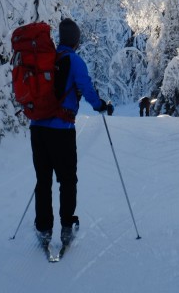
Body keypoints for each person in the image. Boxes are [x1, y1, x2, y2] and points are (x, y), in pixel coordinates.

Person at [30, 18, 113, 252]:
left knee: (43, 180)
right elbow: (86, 88)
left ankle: (44, 228)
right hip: (62, 131)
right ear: (75, 41)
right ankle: (67, 225)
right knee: (67, 179)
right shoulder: (74, 61)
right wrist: (100, 105)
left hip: (37, 129)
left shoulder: (45, 60)